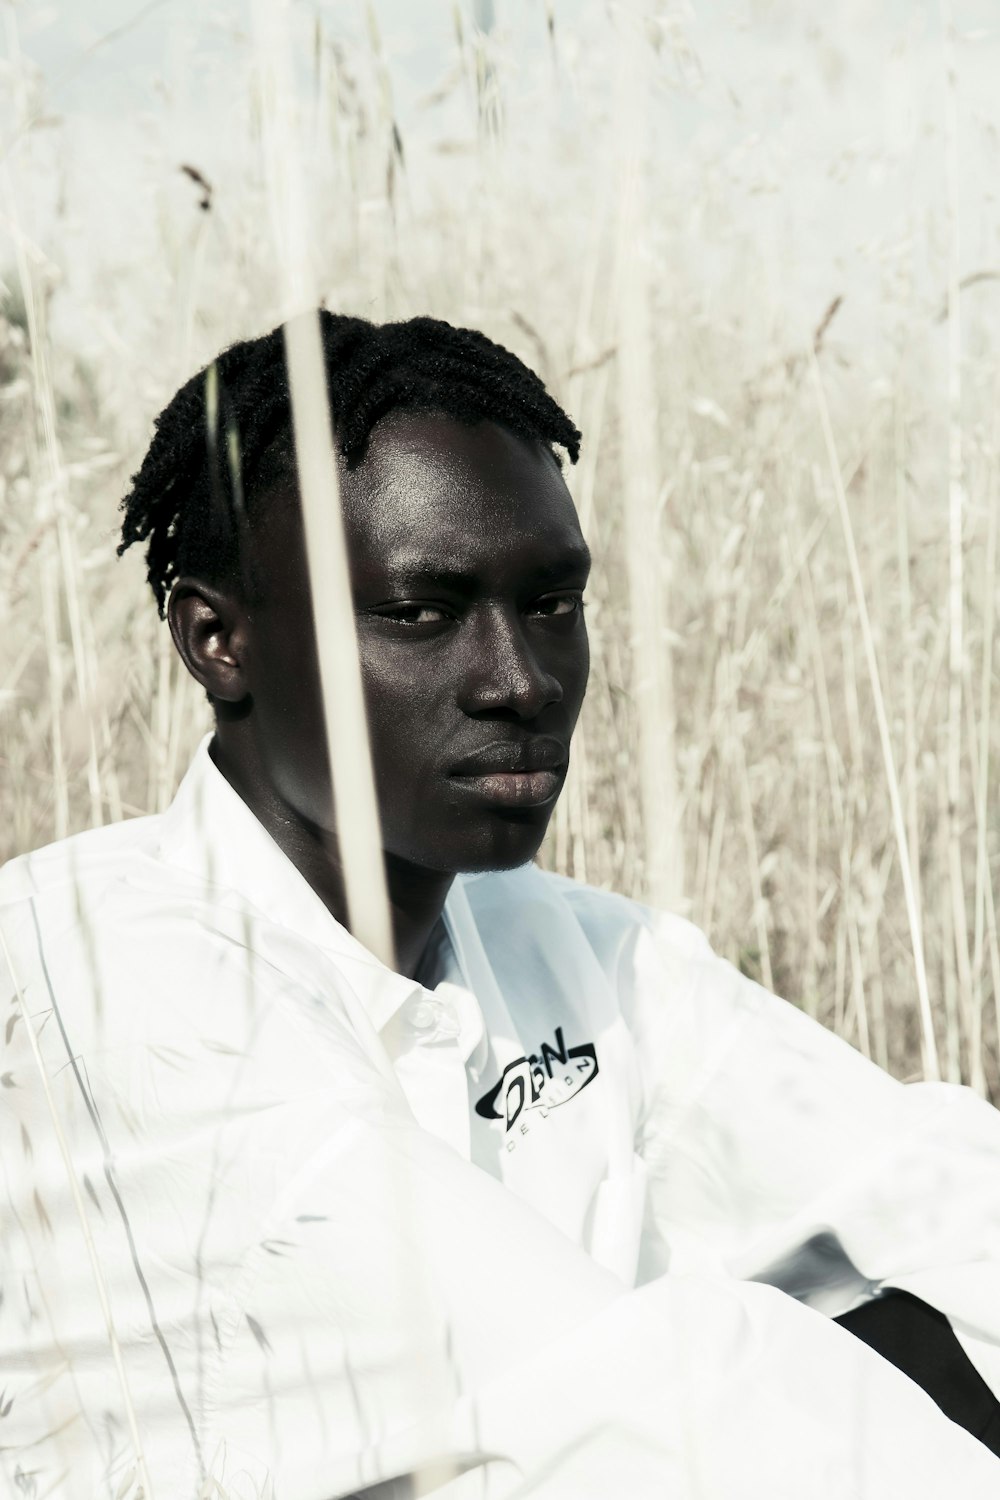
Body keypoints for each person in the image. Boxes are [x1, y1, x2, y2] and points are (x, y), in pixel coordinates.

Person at [1, 313, 999, 1500]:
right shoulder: (95, 979)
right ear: (218, 640)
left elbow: (930, 1185)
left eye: (552, 602)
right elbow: (649, 1405)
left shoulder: (564, 943)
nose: (519, 680)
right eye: (421, 612)